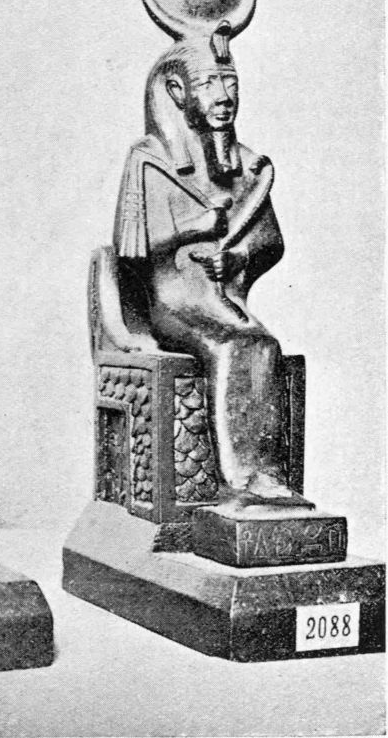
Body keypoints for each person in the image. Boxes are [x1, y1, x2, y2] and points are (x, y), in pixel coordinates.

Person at [111, 32, 312, 508]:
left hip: (223, 299)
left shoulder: (248, 167)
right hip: (171, 303)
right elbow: (133, 248)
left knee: (257, 342)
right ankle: (247, 480)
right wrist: (195, 227)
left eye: (231, 83)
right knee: (245, 343)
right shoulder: (151, 159)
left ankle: (262, 480)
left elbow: (269, 242)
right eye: (208, 84)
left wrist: (236, 258)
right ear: (178, 92)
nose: (224, 97)